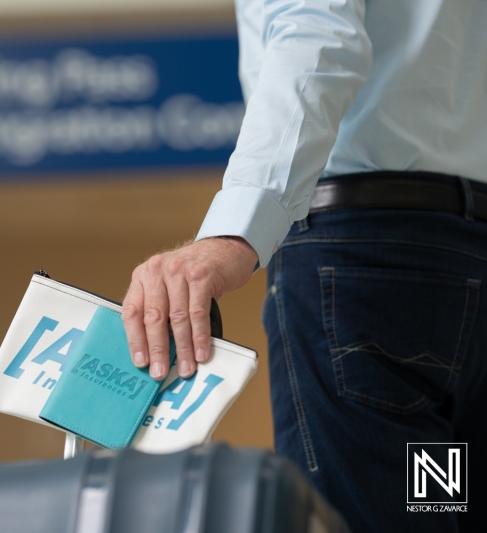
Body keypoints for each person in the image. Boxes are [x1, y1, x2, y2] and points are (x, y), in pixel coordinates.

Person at [121, 0, 487, 531]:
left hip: (365, 274)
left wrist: (233, 232)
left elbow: (316, 28)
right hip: (464, 275)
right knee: (436, 504)